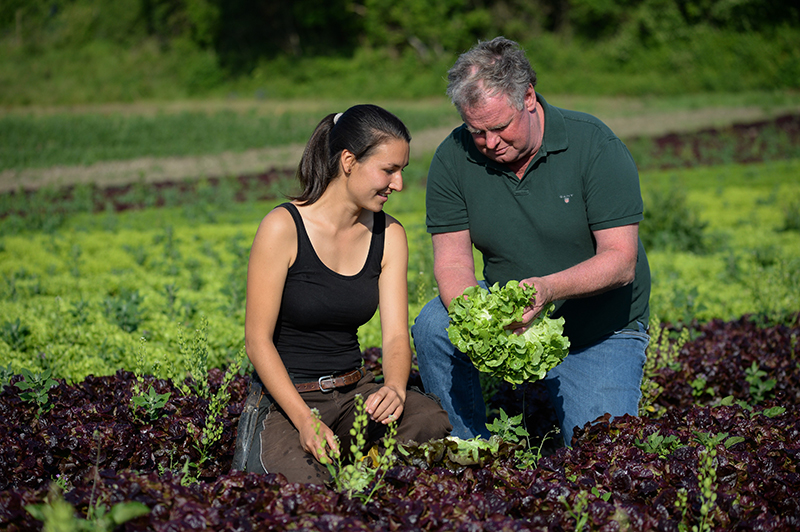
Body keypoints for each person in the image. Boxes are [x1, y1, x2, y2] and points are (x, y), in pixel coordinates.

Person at [411, 37, 651, 446]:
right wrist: (484, 323)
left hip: (598, 327)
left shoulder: (593, 144)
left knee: (603, 454)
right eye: (476, 131)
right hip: (513, 310)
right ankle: (467, 447)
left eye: (500, 127)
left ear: (528, 97)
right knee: (435, 324)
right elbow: (452, 263)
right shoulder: (453, 156)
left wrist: (547, 289)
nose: (489, 143)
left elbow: (620, 260)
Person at [243, 104, 451, 484]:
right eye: (389, 170)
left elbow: (394, 337)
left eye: (402, 170)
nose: (399, 184)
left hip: (354, 394)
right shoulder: (282, 227)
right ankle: (342, 472)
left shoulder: (389, 235)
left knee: (428, 420)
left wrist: (394, 388)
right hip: (288, 403)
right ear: (349, 161)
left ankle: (358, 476)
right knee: (304, 488)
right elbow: (257, 342)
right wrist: (305, 420)